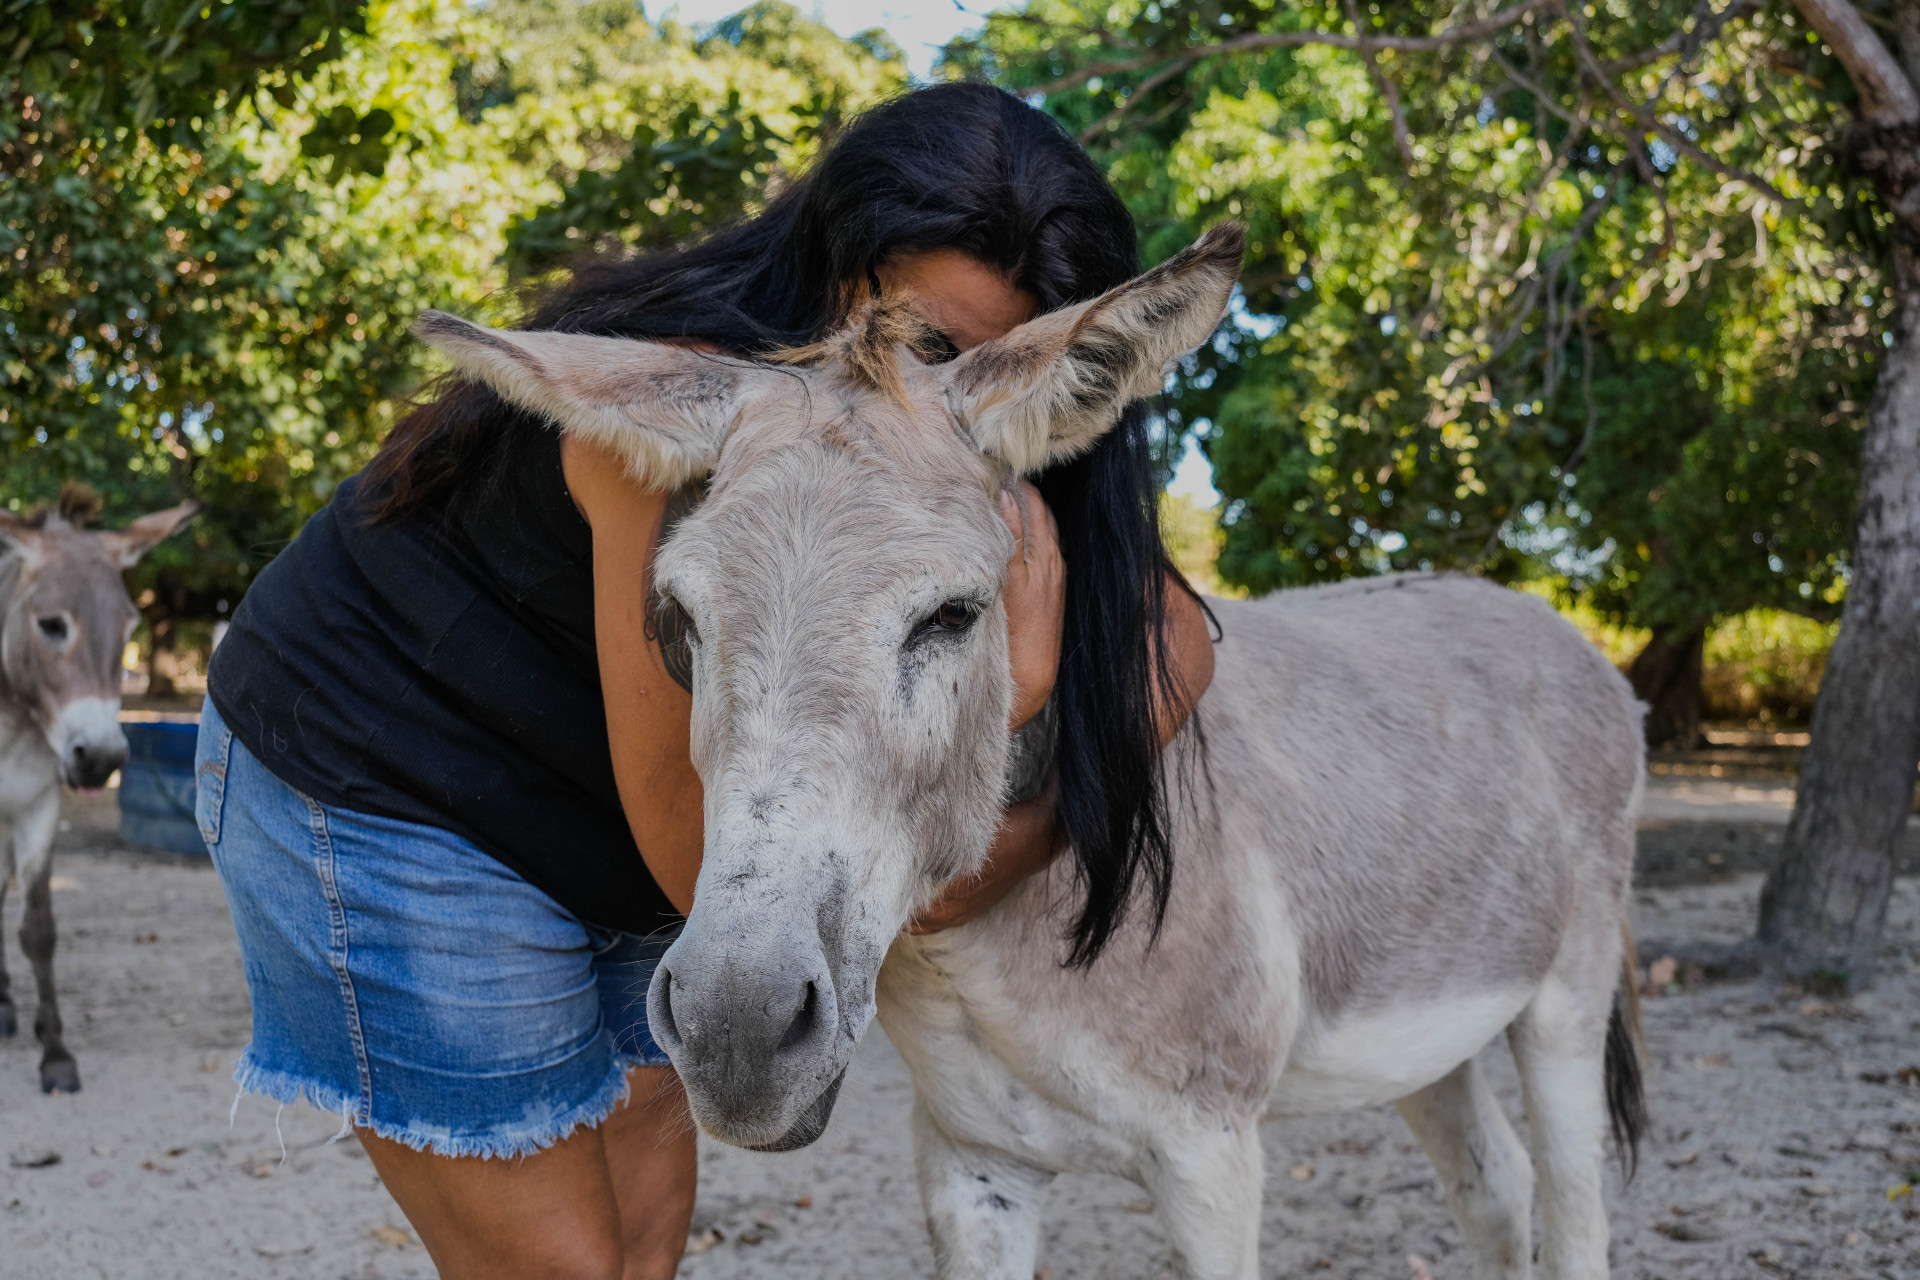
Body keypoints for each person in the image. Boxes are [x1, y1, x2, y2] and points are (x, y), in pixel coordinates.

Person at [197, 83, 1215, 1280]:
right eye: (909, 339)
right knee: (563, 1268)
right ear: (827, 277)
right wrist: (1021, 700)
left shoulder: (998, 465)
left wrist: (1028, 695)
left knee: (643, 1242)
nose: (927, 395)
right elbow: (693, 865)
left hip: (608, 806)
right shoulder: (684, 416)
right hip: (382, 769)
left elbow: (1178, 642)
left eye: (985, 364)